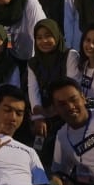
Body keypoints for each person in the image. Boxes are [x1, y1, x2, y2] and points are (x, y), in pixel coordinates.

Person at [24, 18, 74, 162]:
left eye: (48, 36)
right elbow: (33, 92)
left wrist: (53, 111)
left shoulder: (70, 55)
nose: (44, 41)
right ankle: (37, 163)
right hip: (44, 112)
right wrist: (39, 117)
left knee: (59, 149)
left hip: (67, 109)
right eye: (39, 38)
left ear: (56, 35)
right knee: (39, 145)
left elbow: (72, 88)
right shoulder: (33, 63)